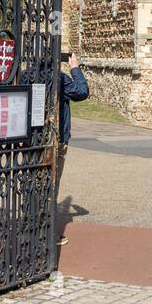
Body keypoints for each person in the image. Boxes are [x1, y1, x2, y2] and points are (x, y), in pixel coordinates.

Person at [56, 53, 89, 227]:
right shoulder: (60, 79)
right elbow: (82, 91)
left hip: (34, 138)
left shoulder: (26, 75)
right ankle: (44, 233)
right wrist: (75, 67)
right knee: (52, 182)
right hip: (57, 136)